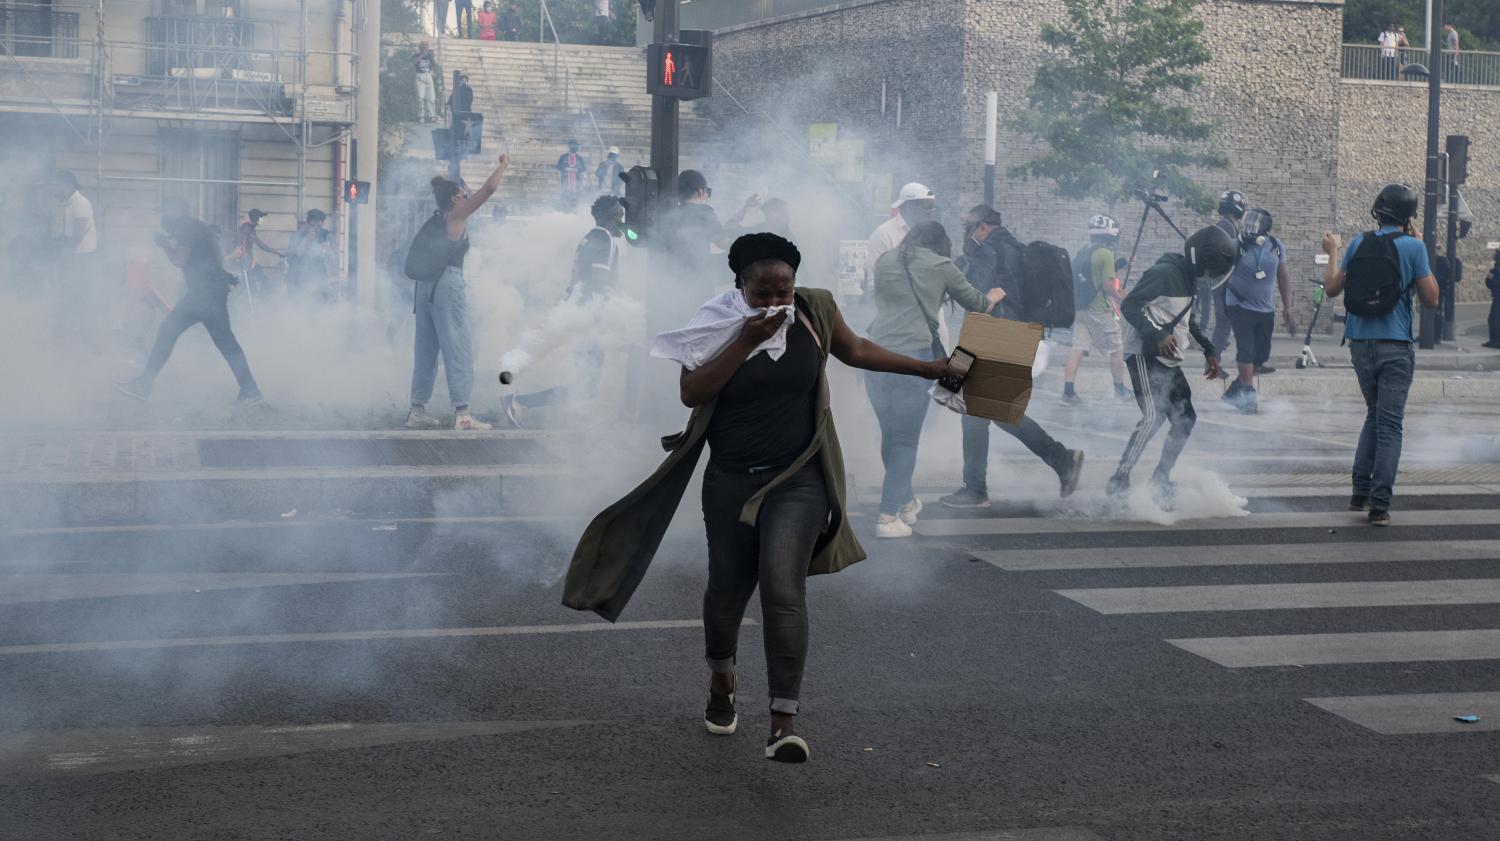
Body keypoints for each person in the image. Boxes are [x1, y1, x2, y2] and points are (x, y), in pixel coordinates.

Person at [565, 232, 956, 763]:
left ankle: (782, 722)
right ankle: (722, 679)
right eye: (761, 293)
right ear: (739, 285)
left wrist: (928, 367)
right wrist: (746, 340)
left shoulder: (815, 310)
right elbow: (692, 391)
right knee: (727, 589)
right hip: (730, 479)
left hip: (798, 477)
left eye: (783, 292)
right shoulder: (714, 324)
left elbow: (857, 349)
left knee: (782, 587)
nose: (775, 303)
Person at [938, 207, 1085, 511]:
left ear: (983, 226)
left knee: (974, 413)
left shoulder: (990, 249)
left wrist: (967, 258)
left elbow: (972, 290)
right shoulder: (1012, 247)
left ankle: (976, 489)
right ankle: (1061, 460)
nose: (965, 232)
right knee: (991, 412)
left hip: (994, 333)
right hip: (1007, 331)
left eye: (968, 226)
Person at [866, 221, 1005, 538]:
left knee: (889, 435)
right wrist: (994, 294)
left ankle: (904, 501)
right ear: (941, 242)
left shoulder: (886, 260)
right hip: (915, 358)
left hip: (874, 357)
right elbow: (977, 303)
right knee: (905, 440)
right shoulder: (941, 264)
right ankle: (887, 518)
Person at [1320, 184, 1440, 526]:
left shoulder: (1358, 243)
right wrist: (1420, 250)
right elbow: (1431, 299)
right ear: (1408, 217)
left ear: (1377, 211)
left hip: (1359, 343)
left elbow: (1331, 289)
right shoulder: (1413, 247)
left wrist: (1331, 251)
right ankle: (1379, 504)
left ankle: (1359, 492)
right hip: (1395, 345)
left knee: (1374, 414)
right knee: (1389, 424)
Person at [1105, 225, 1233, 509]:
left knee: (1185, 418)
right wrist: (1159, 335)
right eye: (1210, 270)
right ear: (1200, 259)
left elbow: (1189, 322)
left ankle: (1161, 478)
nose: (1210, 276)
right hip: (1142, 353)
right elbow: (1130, 306)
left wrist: (1209, 350)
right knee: (1153, 417)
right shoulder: (1164, 274)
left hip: (1168, 358)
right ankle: (1119, 479)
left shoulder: (1189, 280)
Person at [117, 199, 263, 405]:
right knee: (225, 342)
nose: (164, 216)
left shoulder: (187, 227)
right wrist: (222, 275)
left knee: (168, 330)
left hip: (203, 293)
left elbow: (179, 261)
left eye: (167, 210)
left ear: (180, 211)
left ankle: (143, 385)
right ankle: (250, 390)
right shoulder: (196, 227)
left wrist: (164, 245)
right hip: (210, 291)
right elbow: (213, 257)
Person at [406, 154, 511, 432]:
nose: (467, 196)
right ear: (454, 199)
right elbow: (488, 190)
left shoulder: (437, 218)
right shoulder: (456, 216)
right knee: (459, 348)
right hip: (447, 286)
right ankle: (463, 414)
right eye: (463, 193)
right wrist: (502, 164)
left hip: (424, 288)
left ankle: (417, 410)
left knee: (426, 351)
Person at [502, 195, 624, 426]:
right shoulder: (605, 239)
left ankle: (524, 403)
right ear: (612, 217)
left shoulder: (590, 237)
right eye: (620, 213)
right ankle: (520, 402)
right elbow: (599, 282)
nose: (624, 217)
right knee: (588, 384)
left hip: (580, 313)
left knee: (586, 382)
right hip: (589, 316)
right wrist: (605, 315)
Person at [1221, 208, 1294, 414]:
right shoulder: (1237, 245)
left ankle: (1234, 391)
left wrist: (1288, 306)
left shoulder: (1276, 246)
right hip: (1238, 305)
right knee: (1246, 350)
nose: (1251, 226)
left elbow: (1283, 276)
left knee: (1261, 354)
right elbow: (1219, 270)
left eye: (1256, 223)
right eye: (1249, 221)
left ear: (1266, 227)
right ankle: (1248, 396)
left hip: (1265, 308)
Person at [1061, 213, 1129, 404]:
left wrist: (1119, 266)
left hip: (1079, 309)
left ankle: (1068, 392)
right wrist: (1128, 298)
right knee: (1116, 348)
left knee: (1078, 348)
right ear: (1110, 235)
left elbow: (1094, 275)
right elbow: (1108, 286)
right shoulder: (1106, 254)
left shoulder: (1084, 251)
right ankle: (1120, 391)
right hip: (1098, 310)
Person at [865, 182, 936, 291]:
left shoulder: (931, 232)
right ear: (909, 207)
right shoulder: (883, 234)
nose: (931, 213)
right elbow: (873, 281)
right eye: (927, 208)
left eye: (933, 208)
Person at [1205, 189, 1246, 360]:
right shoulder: (1227, 226)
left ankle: (1217, 352)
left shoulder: (1226, 225)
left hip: (1223, 282)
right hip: (1224, 283)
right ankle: (1214, 360)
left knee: (1225, 322)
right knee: (1223, 322)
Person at [227, 209, 283, 300]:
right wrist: (242, 256)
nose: (262, 219)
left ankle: (257, 297)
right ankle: (255, 300)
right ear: (255, 218)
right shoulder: (247, 227)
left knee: (258, 278)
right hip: (244, 261)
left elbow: (261, 244)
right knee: (256, 280)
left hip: (248, 260)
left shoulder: (251, 228)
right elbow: (242, 242)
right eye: (260, 217)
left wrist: (277, 252)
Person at [285, 209, 338, 303]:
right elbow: (296, 255)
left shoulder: (325, 235)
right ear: (308, 223)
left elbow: (333, 258)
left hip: (319, 276)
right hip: (299, 276)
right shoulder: (298, 235)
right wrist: (307, 238)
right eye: (314, 225)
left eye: (319, 225)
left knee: (320, 303)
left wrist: (327, 247)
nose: (317, 228)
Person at [555, 139, 588, 206]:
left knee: (575, 206)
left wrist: (583, 185)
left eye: (577, 146)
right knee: (564, 206)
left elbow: (583, 173)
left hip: (576, 188)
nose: (576, 147)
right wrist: (558, 185)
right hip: (564, 187)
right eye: (574, 145)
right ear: (570, 146)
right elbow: (558, 171)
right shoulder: (563, 157)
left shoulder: (579, 158)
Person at [414, 41, 436, 123]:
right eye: (423, 47)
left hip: (428, 75)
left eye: (426, 46)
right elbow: (414, 62)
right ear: (420, 48)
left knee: (431, 97)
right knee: (420, 97)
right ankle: (421, 116)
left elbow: (434, 65)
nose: (425, 48)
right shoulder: (416, 55)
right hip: (420, 76)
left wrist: (432, 57)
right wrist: (422, 55)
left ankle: (431, 115)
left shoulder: (429, 55)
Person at [1485, 250, 1500, 349]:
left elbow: (1497, 283)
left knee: (1496, 319)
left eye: (1496, 253)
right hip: (1496, 296)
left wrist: (1491, 278)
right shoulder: (1496, 267)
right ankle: (1493, 340)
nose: (1494, 254)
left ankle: (1497, 341)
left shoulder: (1498, 268)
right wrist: (1489, 279)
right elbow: (1490, 284)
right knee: (1492, 319)